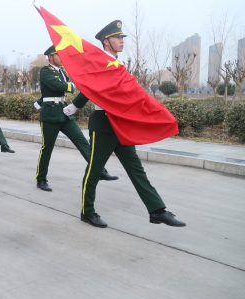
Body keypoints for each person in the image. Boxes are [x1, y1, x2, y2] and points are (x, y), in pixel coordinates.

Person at [65, 20, 186, 228]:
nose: (122, 41)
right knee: (94, 170)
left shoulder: (117, 64)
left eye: (122, 37)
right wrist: (75, 105)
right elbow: (90, 86)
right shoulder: (99, 62)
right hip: (103, 124)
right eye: (117, 37)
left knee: (136, 169)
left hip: (121, 124)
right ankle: (87, 211)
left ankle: (157, 210)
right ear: (106, 41)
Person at [34, 46, 118, 192]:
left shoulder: (62, 72)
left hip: (63, 112)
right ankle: (41, 179)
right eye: (58, 55)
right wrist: (71, 86)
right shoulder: (45, 71)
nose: (62, 57)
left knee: (82, 141)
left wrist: (68, 86)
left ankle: (100, 171)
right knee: (47, 147)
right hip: (50, 114)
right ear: (51, 57)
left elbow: (62, 87)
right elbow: (58, 86)